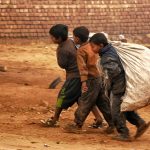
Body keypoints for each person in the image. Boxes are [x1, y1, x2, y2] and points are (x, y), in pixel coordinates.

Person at [89, 33, 150, 141]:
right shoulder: (111, 48)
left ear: (101, 45)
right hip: (123, 84)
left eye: (93, 46)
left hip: (119, 86)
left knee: (115, 110)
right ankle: (140, 123)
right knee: (124, 107)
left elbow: (115, 72)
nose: (92, 49)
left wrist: (109, 83)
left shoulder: (107, 57)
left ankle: (123, 134)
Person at [41, 24, 103, 127]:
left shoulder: (63, 49)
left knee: (62, 96)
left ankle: (55, 119)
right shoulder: (70, 42)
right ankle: (99, 118)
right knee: (83, 99)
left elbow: (62, 64)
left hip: (74, 77)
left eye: (52, 37)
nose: (51, 38)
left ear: (59, 38)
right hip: (81, 76)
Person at [64, 26, 114, 133]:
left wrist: (83, 82)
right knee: (103, 102)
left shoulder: (81, 51)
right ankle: (112, 124)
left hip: (91, 79)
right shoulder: (93, 46)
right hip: (99, 78)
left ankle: (77, 124)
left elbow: (83, 69)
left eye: (74, 37)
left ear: (77, 39)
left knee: (85, 101)